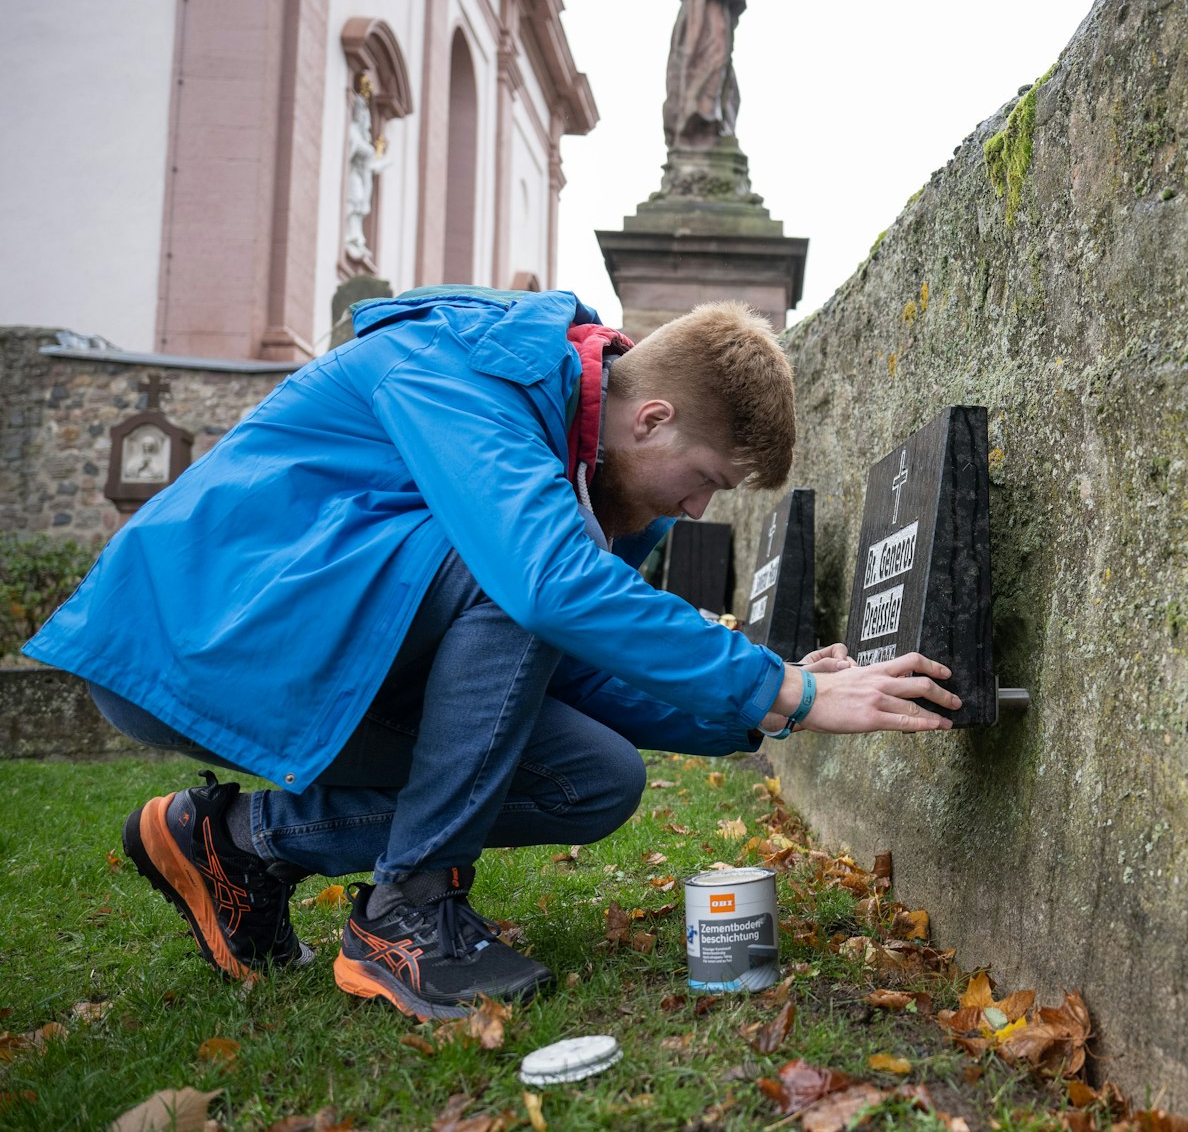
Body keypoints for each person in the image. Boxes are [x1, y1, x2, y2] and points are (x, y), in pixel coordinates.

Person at [24, 286, 959, 1021]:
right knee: (515, 572)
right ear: (652, 419)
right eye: (708, 481)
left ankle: (235, 843)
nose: (696, 512)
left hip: (331, 653)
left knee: (595, 779)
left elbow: (563, 657)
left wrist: (754, 708)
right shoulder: (468, 368)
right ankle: (407, 918)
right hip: (202, 632)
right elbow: (538, 590)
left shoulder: (589, 477)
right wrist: (784, 688)